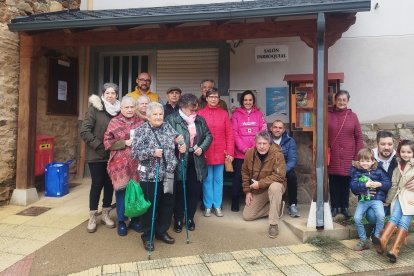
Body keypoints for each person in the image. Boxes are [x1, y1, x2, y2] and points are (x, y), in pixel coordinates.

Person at [131, 102, 186, 251]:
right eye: (155, 114)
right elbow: (135, 153)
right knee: (150, 207)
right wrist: (151, 152)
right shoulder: (141, 131)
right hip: (150, 176)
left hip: (168, 173)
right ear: (148, 116)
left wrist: (182, 144)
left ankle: (162, 231)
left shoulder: (167, 126)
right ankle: (147, 235)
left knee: (167, 204)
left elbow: (178, 138)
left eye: (160, 114)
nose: (158, 116)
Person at [167, 94, 212, 232]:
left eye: (195, 110)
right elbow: (166, 137)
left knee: (194, 190)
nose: (194, 113)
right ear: (182, 107)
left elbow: (209, 135)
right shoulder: (172, 119)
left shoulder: (199, 120)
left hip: (196, 159)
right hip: (180, 159)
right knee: (180, 190)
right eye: (191, 110)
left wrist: (202, 147)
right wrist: (175, 144)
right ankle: (178, 218)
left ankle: (190, 217)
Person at [80, 83, 120, 233]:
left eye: (113, 93)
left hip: (113, 155)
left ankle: (106, 213)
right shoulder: (94, 109)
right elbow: (85, 131)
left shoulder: (119, 111)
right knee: (97, 184)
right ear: (103, 94)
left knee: (110, 184)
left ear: (117, 95)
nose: (110, 96)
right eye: (108, 93)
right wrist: (99, 146)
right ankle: (92, 215)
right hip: (96, 154)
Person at [104, 96, 144, 236]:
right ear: (121, 108)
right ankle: (122, 221)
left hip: (138, 163)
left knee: (137, 192)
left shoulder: (141, 122)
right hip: (120, 164)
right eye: (126, 107)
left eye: (132, 107)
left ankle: (135, 220)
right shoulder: (114, 121)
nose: (129, 109)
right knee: (121, 192)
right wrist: (124, 143)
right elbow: (107, 142)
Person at [242, 131, 286, 238]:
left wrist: (260, 184)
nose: (261, 146)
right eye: (259, 143)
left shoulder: (277, 154)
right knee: (247, 216)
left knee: (274, 187)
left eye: (264, 143)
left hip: (275, 186)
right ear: (255, 143)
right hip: (259, 189)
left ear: (269, 143)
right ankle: (277, 208)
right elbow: (245, 173)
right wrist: (247, 191)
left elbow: (280, 176)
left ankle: (273, 224)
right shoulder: (249, 154)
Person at [197, 88, 234, 217]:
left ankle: (217, 205)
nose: (213, 99)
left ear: (219, 99)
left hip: (221, 151)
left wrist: (230, 152)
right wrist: (200, 149)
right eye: (211, 96)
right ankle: (207, 206)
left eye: (216, 97)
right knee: (207, 180)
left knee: (219, 180)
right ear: (206, 98)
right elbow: (198, 134)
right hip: (206, 152)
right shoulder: (200, 113)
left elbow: (229, 134)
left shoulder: (224, 113)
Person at [328, 90, 364, 217]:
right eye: (339, 99)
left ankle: (344, 207)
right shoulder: (328, 115)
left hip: (349, 155)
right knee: (333, 182)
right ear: (335, 100)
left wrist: (358, 156)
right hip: (333, 155)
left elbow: (358, 137)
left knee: (345, 182)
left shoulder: (353, 116)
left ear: (347, 101)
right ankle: (334, 206)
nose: (341, 102)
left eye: (344, 100)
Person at [231, 90, 267, 212]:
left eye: (250, 100)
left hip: (255, 152)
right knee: (238, 177)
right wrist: (245, 149)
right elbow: (234, 133)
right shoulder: (236, 114)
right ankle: (235, 200)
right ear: (242, 101)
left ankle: (253, 201)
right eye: (245, 100)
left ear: (253, 101)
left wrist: (254, 148)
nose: (248, 102)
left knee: (255, 176)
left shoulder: (259, 114)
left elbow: (263, 131)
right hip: (240, 154)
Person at [378, 140, 414, 263]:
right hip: (399, 196)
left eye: (409, 152)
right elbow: (394, 186)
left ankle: (395, 250)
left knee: (404, 221)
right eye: (403, 151)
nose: (405, 154)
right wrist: (388, 201)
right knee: (394, 218)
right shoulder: (398, 166)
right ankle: (383, 240)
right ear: (399, 152)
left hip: (411, 199)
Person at [350, 148, 391, 251]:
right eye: (362, 161)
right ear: (359, 161)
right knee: (357, 218)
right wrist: (365, 185)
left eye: (367, 161)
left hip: (376, 199)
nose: (365, 163)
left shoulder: (379, 171)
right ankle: (363, 240)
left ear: (373, 161)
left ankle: (376, 237)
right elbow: (353, 186)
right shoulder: (356, 172)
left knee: (381, 216)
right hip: (363, 201)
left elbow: (388, 183)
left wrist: (379, 184)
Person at [270, 119, 300, 217]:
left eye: (280, 128)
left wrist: (282, 171)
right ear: (271, 129)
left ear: (283, 130)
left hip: (284, 168)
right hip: (269, 167)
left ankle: (292, 204)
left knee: (292, 176)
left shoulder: (290, 141)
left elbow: (292, 160)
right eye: (275, 127)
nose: (277, 130)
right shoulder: (266, 139)